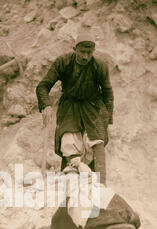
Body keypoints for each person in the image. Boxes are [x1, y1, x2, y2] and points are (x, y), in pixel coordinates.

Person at [35, 33, 114, 185]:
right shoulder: (63, 62)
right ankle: (71, 181)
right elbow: (43, 86)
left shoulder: (100, 66)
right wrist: (46, 105)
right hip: (70, 107)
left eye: (89, 53)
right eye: (82, 52)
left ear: (93, 52)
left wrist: (108, 119)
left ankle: (101, 184)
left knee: (97, 141)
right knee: (69, 141)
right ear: (74, 49)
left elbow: (108, 92)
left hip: (93, 106)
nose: (85, 56)